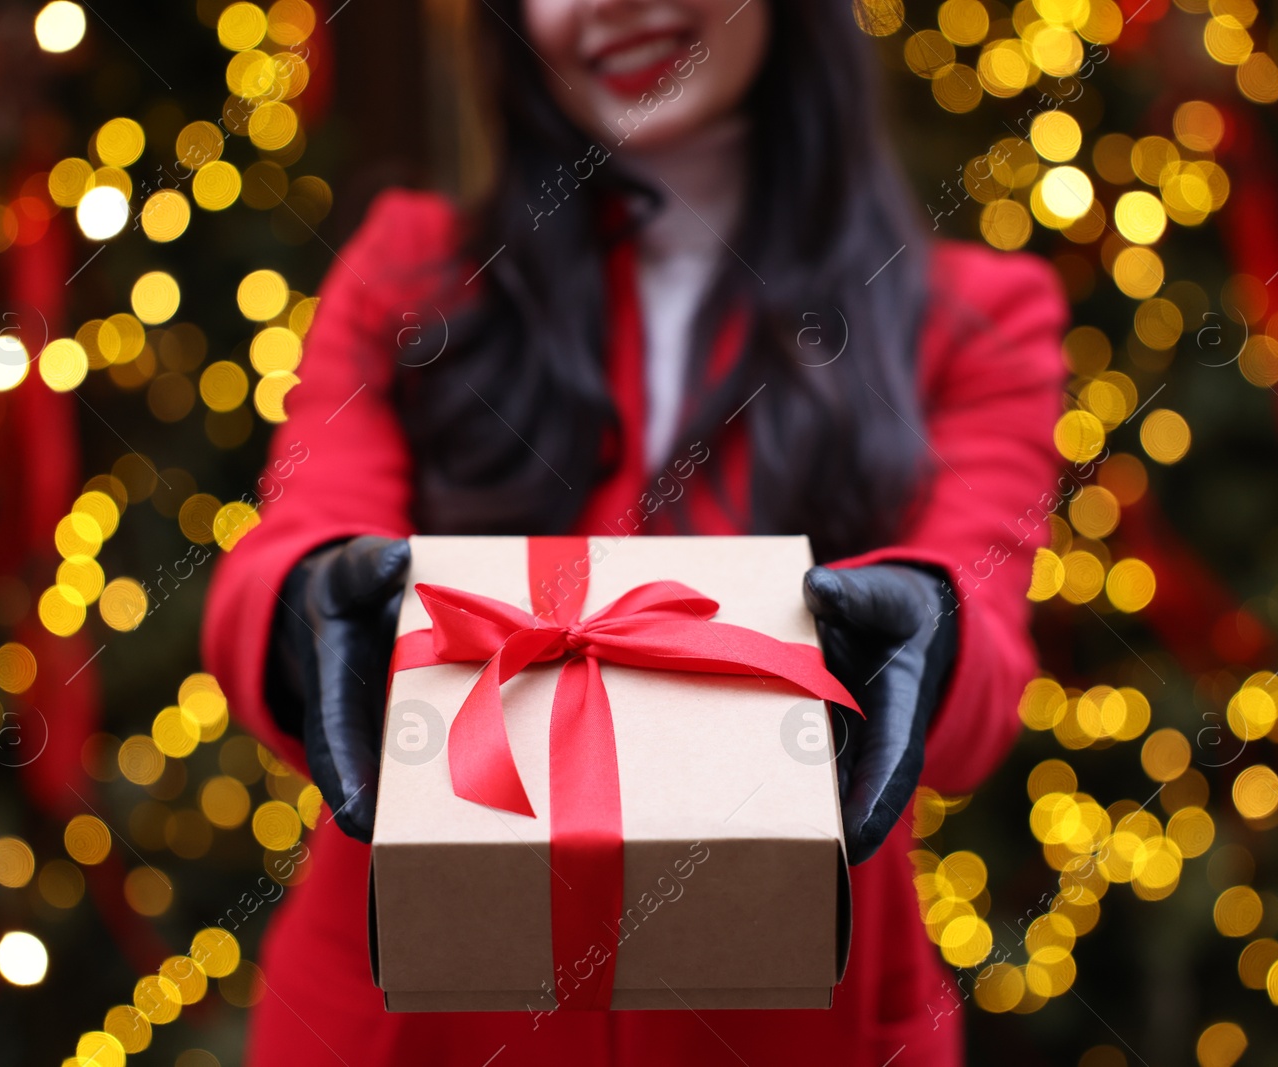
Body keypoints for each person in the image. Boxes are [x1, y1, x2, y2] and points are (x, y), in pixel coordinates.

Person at [201, 0, 1068, 1062]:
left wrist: (931, 628)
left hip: (805, 1021)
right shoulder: (407, 277)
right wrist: (300, 597)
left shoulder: (975, 317)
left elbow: (980, 622)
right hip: (405, 1022)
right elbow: (300, 520)